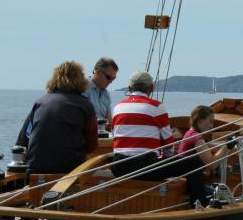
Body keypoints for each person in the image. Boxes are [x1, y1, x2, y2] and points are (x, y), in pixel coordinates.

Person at [110, 70, 209, 207]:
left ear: (129, 88)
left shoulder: (117, 107)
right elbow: (168, 144)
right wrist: (168, 162)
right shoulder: (157, 107)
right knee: (194, 163)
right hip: (144, 166)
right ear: (151, 88)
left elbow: (115, 136)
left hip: (119, 166)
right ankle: (199, 207)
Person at [16, 61, 98, 173]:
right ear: (81, 80)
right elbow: (92, 145)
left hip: (36, 169)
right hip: (69, 171)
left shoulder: (40, 102)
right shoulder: (85, 106)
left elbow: (23, 139)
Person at [178, 105, 231, 172]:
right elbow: (212, 165)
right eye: (210, 121)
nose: (212, 126)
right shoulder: (197, 138)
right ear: (200, 121)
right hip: (189, 176)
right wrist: (227, 146)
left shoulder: (190, 133)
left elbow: (205, 147)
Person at [84, 57, 119, 129]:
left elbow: (109, 121)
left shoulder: (106, 94)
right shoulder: (83, 88)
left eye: (113, 79)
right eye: (109, 78)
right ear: (99, 72)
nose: (111, 82)